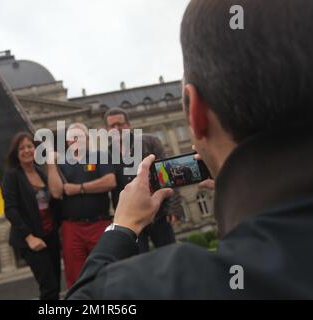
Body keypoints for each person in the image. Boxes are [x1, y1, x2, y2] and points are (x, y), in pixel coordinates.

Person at [67, 0, 313, 299]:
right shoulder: (107, 153)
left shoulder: (171, 284)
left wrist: (121, 227)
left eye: (121, 124)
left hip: (147, 214)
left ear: (195, 114)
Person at [104, 107, 181, 253]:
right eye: (112, 126)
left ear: (128, 125)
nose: (116, 128)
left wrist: (174, 207)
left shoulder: (150, 142)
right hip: (130, 218)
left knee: (169, 255)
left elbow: (169, 173)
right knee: (138, 260)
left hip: (158, 211)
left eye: (120, 124)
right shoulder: (106, 154)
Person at [52, 123, 116, 289]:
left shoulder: (99, 156)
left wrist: (79, 188)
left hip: (100, 223)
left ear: (88, 140)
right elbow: (56, 192)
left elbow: (110, 181)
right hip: (72, 227)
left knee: (107, 271)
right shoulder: (61, 163)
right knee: (76, 277)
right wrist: (51, 165)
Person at [2, 132, 62, 300]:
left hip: (50, 236)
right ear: (16, 153)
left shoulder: (41, 172)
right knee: (49, 287)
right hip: (32, 239)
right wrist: (29, 237)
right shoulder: (12, 175)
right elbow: (10, 209)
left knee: (56, 284)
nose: (27, 150)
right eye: (21, 148)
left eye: (30, 146)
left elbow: (54, 200)